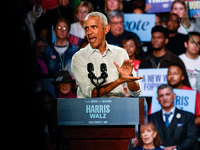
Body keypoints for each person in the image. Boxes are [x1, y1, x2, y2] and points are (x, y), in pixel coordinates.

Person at [71, 11, 143, 98]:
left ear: (106, 29)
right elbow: (91, 93)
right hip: (90, 110)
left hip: (118, 109)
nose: (89, 32)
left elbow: (135, 93)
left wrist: (129, 78)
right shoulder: (79, 57)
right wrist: (118, 81)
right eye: (86, 28)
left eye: (93, 27)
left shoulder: (120, 53)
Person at [148, 84, 199, 150]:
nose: (165, 98)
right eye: (161, 96)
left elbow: (192, 138)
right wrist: (161, 149)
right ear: (158, 99)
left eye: (167, 94)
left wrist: (175, 149)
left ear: (174, 96)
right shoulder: (151, 118)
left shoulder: (188, 116)